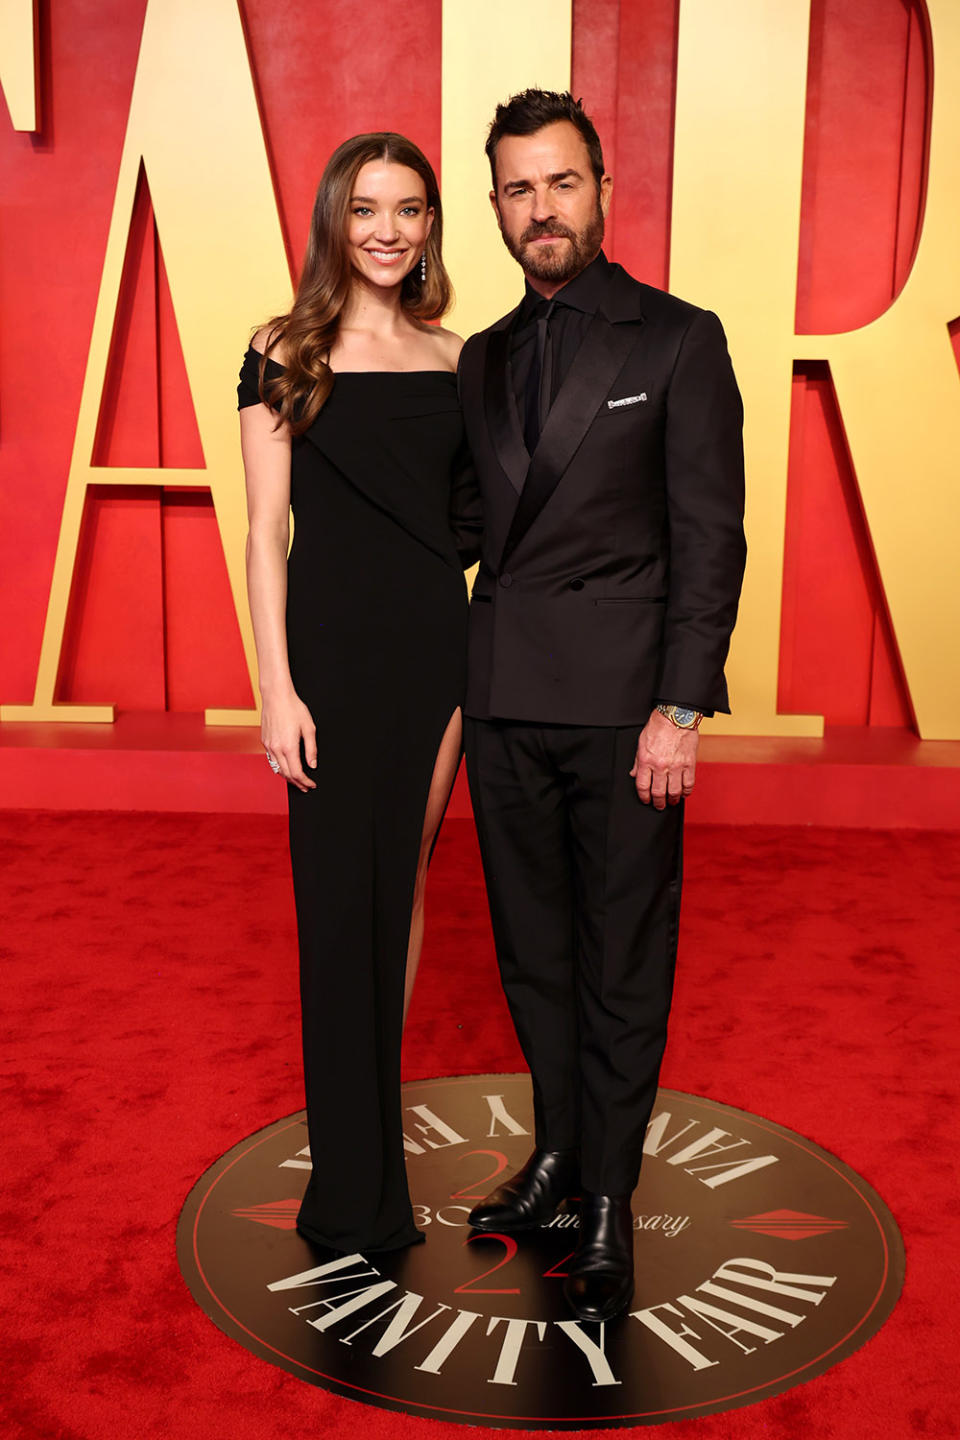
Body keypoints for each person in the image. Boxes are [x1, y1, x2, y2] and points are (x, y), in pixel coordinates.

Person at [458, 90, 746, 1323]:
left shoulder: (678, 338)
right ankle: (562, 1157)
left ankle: (613, 1199)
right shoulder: (481, 357)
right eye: (519, 190)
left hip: (630, 716)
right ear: (496, 210)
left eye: (560, 183)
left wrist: (681, 706)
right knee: (534, 956)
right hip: (506, 701)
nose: (542, 210)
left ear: (603, 189)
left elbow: (709, 535)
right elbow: (464, 530)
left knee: (622, 958)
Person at [237, 133, 479, 1254]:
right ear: (335, 218)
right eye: (367, 207)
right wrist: (275, 691)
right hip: (326, 660)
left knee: (402, 893)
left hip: (438, 654)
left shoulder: (458, 358)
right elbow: (262, 533)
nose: (388, 229)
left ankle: (377, 1151)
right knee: (338, 912)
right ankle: (351, 1187)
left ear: (432, 224)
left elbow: (478, 526)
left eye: (411, 209)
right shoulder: (283, 348)